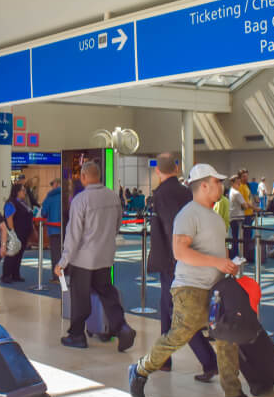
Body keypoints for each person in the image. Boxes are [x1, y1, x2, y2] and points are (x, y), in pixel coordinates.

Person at [128, 164, 266, 397]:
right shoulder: (187, 214)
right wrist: (218, 262)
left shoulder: (214, 216)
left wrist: (227, 265)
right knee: (179, 335)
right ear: (203, 185)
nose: (221, 186)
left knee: (226, 338)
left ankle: (233, 395)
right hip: (189, 289)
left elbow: (216, 251)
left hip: (215, 289)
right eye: (217, 181)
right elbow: (180, 252)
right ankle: (140, 369)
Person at [149, 153, 217, 380]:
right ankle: (164, 360)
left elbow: (171, 228)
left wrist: (178, 258)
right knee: (168, 310)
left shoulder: (162, 195)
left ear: (158, 171)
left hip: (173, 262)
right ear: (177, 169)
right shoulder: (186, 192)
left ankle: (209, 361)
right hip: (185, 258)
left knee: (179, 313)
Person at [56, 161, 136, 350]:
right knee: (107, 293)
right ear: (99, 176)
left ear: (83, 177)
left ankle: (77, 335)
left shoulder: (80, 200)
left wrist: (63, 261)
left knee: (80, 297)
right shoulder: (113, 197)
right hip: (105, 256)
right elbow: (117, 225)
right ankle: (121, 327)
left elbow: (74, 235)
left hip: (83, 259)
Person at [2, 183, 33, 284]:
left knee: (19, 254)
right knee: (11, 254)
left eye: (25, 190)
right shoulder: (11, 203)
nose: (25, 192)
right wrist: (12, 233)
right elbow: (9, 218)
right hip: (15, 233)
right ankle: (6, 275)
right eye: (22, 190)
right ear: (17, 191)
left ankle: (15, 274)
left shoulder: (23, 202)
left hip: (24, 233)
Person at [39, 179, 63, 282]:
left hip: (54, 230)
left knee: (55, 253)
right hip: (66, 229)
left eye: (52, 184)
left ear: (56, 184)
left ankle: (56, 277)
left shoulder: (50, 197)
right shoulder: (67, 195)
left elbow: (43, 212)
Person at [227, 176, 247, 259]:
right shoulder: (237, 193)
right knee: (239, 238)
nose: (239, 185)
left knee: (234, 238)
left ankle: (234, 255)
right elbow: (245, 206)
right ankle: (237, 255)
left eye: (239, 183)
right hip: (238, 218)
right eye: (237, 183)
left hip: (232, 217)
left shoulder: (231, 191)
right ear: (232, 183)